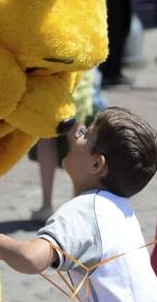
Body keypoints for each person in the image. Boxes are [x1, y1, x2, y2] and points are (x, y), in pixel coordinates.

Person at [0, 107, 157, 302]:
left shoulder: (84, 209)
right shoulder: (121, 209)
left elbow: (31, 258)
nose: (76, 136)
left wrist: (1, 245)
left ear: (97, 164)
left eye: (85, 134)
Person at [30, 69, 96, 222]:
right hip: (76, 68)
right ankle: (78, 203)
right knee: (77, 130)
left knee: (46, 133)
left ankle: (46, 204)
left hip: (48, 70)